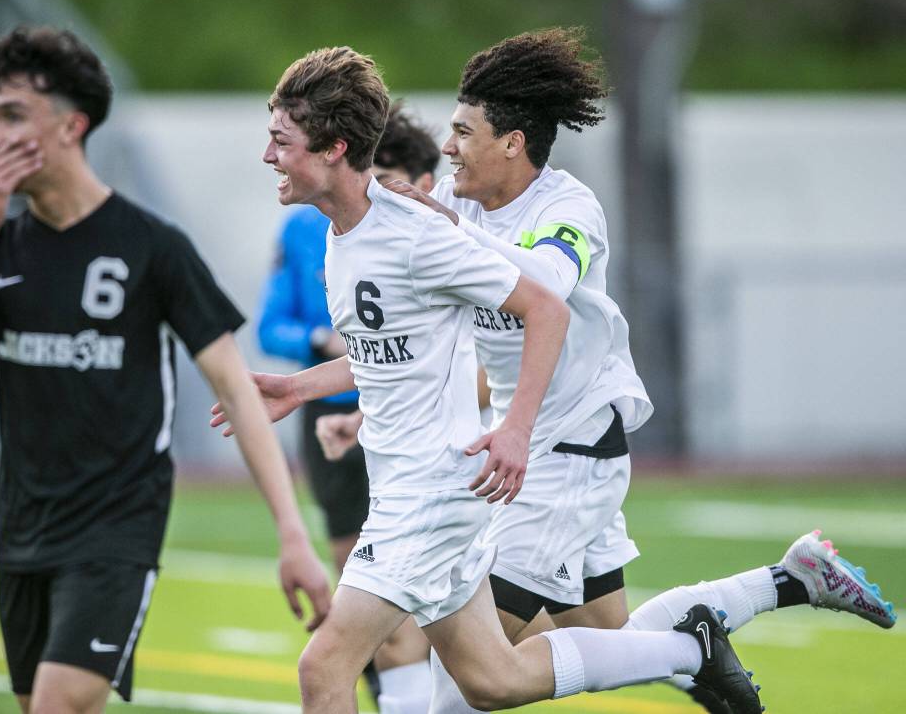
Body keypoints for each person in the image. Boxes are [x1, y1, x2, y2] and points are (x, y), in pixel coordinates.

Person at [213, 44, 764, 714]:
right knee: (491, 679)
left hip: (458, 485)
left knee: (325, 668)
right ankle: (690, 648)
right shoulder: (350, 233)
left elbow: (547, 303)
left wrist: (514, 431)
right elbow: (400, 355)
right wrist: (299, 386)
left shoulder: (431, 229)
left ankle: (730, 616)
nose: (268, 155)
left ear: (331, 147)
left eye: (280, 139)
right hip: (420, 485)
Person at [373, 28, 896, 713]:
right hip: (542, 449)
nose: (448, 147)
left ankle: (698, 645)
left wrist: (451, 229)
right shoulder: (461, 201)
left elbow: (546, 287)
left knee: (476, 678)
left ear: (513, 142)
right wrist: (318, 383)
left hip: (565, 452)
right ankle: (787, 580)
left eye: (464, 131)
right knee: (611, 639)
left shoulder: (567, 208)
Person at [0, 26, 330, 714]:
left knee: (58, 705)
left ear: (70, 125)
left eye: (12, 115)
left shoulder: (151, 247)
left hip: (116, 528)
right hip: (22, 527)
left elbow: (236, 390)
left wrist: (292, 535)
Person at [256, 101, 439, 710]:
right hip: (332, 417)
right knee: (362, 612)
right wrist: (318, 344)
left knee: (455, 638)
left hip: (413, 426)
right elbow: (269, 328)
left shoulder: (429, 234)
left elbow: (470, 340)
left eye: (392, 178)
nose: (378, 190)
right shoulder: (308, 230)